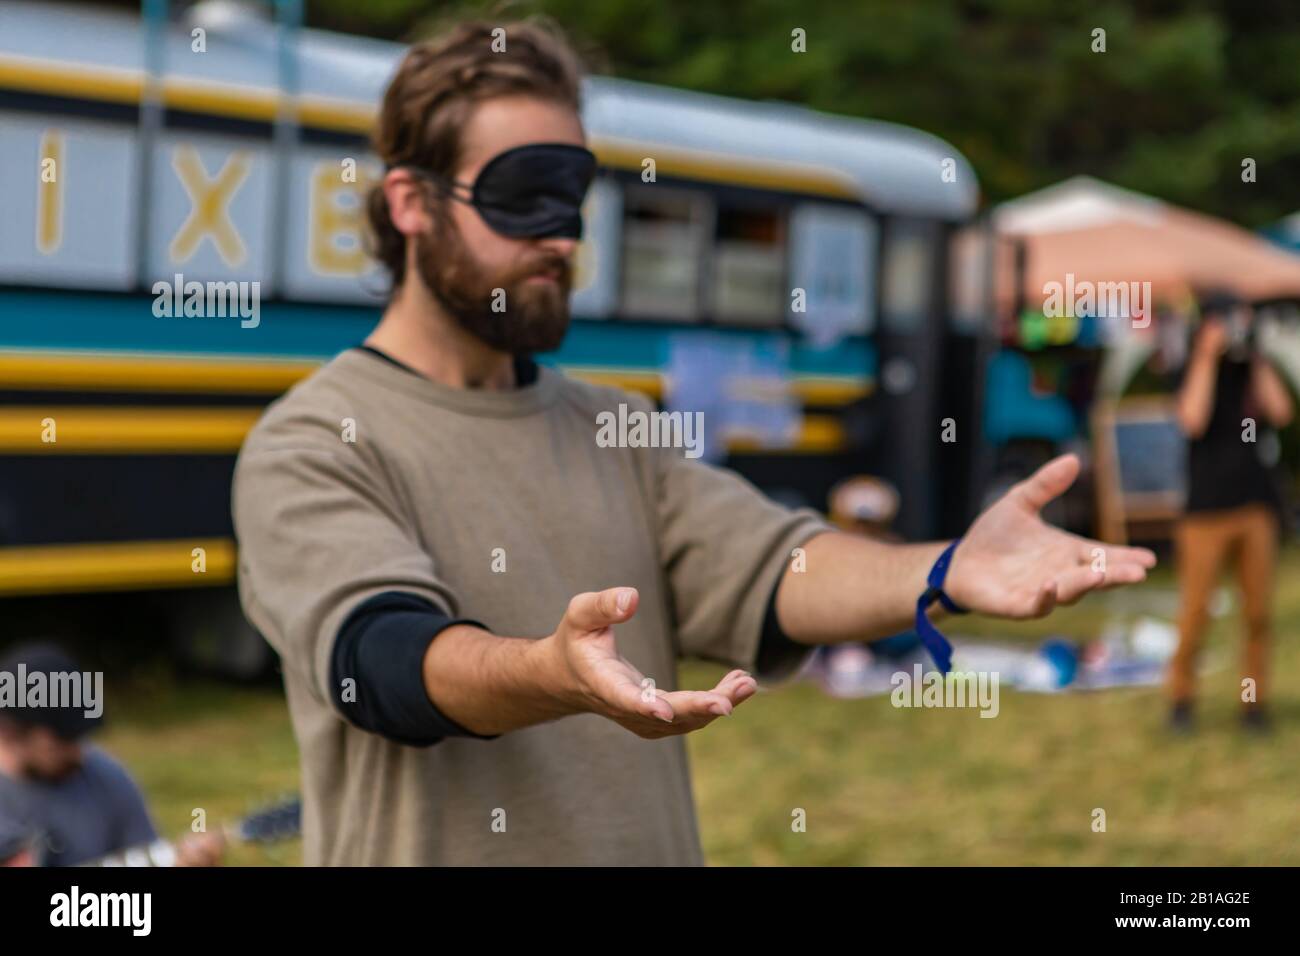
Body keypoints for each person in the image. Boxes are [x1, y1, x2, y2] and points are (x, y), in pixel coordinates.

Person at [231, 19, 1156, 866]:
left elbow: (774, 567)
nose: (561, 238)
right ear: (409, 202)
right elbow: (385, 664)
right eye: (524, 195)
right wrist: (548, 672)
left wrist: (946, 568)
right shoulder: (311, 443)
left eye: (575, 194)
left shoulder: (615, 426)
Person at [1170, 292, 1293, 732]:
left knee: (1257, 614)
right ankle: (1181, 701)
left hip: (1254, 503)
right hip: (1205, 509)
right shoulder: (1190, 366)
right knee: (1195, 612)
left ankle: (1253, 704)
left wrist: (1256, 356)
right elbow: (1192, 420)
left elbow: (1281, 411)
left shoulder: (1250, 368)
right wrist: (1206, 355)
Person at [0, 642, 223, 866]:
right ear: (10, 734)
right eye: (61, 742)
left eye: (79, 737)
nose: (78, 754)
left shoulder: (104, 775)